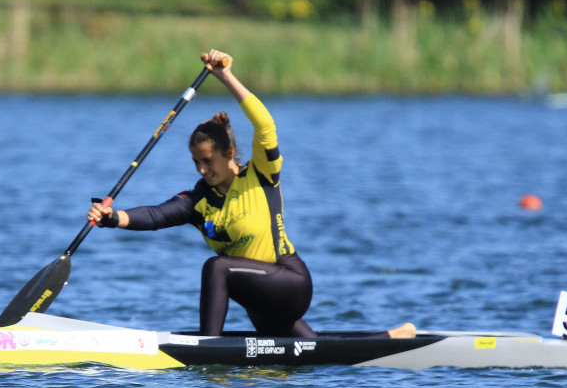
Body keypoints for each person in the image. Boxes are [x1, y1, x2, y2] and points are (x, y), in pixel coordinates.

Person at [88, 49, 415, 339]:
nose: (202, 169)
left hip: (290, 282)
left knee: (217, 267)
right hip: (260, 302)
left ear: (229, 152)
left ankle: (208, 348)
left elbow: (265, 126)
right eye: (196, 162)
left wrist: (226, 76)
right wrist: (111, 217)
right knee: (313, 351)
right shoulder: (199, 201)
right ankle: (391, 339)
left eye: (208, 161)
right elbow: (156, 215)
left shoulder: (260, 174)